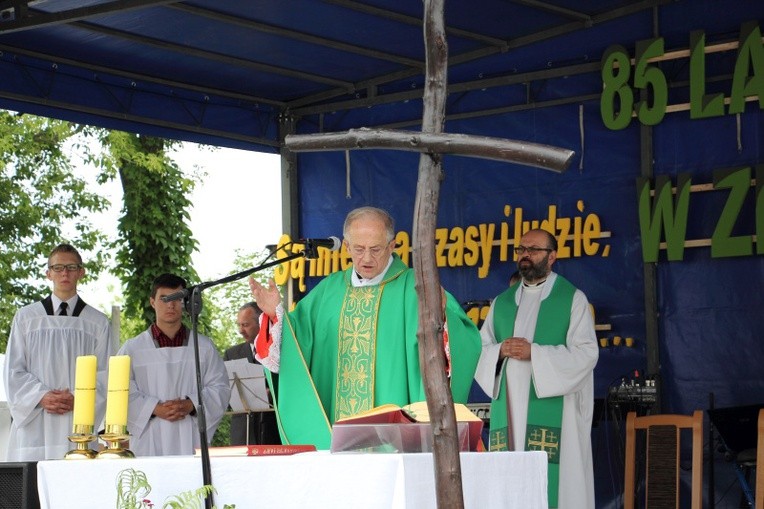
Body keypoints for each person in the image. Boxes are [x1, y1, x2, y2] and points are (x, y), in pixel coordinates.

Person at [249, 206, 482, 449]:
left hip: (397, 440)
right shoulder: (328, 292)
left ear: (392, 246)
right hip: (336, 429)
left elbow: (464, 340)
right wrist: (275, 314)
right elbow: (294, 347)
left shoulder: (417, 288)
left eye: (376, 249)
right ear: (347, 247)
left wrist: (444, 319)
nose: (367, 258)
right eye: (359, 249)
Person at [474, 229, 599, 509]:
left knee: (558, 486)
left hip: (556, 409)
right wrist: (499, 351)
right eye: (521, 250)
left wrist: (536, 354)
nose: (525, 255)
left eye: (533, 249)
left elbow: (586, 353)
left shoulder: (572, 299)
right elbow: (479, 349)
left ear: (552, 256)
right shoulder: (502, 302)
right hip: (510, 411)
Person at [4, 243, 116, 460]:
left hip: (77, 420)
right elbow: (14, 371)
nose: (65, 273)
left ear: (81, 272)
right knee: (31, 487)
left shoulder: (97, 322)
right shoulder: (27, 317)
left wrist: (79, 399)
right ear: (48, 274)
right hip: (35, 420)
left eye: (71, 267)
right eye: (58, 267)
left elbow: (106, 374)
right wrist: (42, 396)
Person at [118, 273, 230, 456]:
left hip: (190, 437)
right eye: (164, 299)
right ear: (152, 302)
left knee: (192, 484)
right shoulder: (133, 349)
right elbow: (120, 391)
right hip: (148, 439)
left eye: (177, 299)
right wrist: (154, 408)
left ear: (185, 302)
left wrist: (191, 404)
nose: (170, 305)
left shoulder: (203, 347)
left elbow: (221, 388)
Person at [223, 302, 280, 445]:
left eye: (246, 325)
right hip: (242, 435)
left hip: (273, 433)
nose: (241, 330)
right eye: (239, 325)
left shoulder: (277, 351)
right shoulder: (232, 354)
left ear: (261, 322)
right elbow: (223, 393)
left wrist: (271, 394)